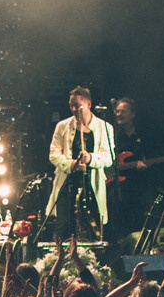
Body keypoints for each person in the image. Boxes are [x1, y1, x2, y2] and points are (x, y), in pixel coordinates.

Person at [46, 87, 115, 245]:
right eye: (71, 105)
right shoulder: (62, 126)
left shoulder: (105, 127)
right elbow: (53, 155)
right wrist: (72, 165)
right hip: (67, 185)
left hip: (91, 186)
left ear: (89, 104)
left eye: (77, 105)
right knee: (63, 226)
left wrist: (91, 159)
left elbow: (108, 158)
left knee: (92, 228)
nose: (74, 109)